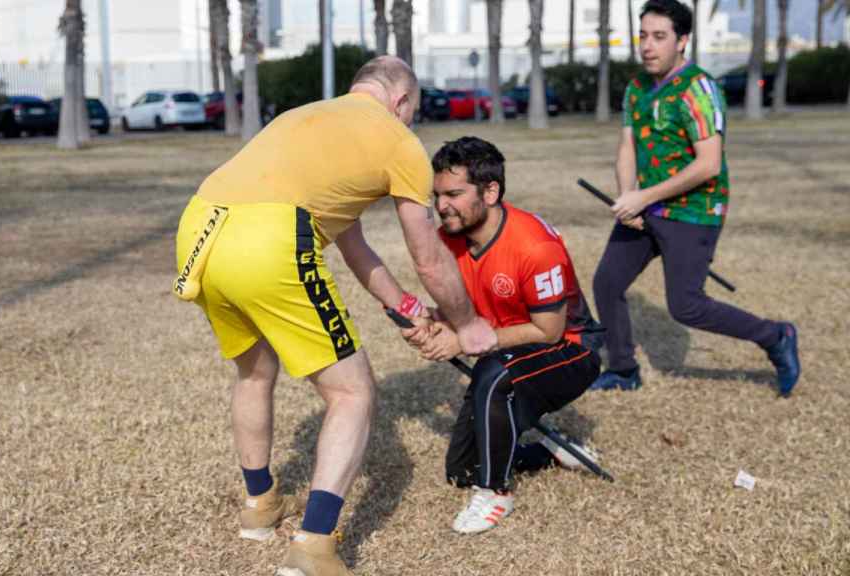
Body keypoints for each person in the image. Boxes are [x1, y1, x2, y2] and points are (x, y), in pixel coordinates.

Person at [173, 56, 497, 576]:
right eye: (410, 111)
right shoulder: (397, 139)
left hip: (201, 230)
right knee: (352, 392)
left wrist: (406, 308)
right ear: (402, 101)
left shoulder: (310, 118)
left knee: (254, 372)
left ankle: (260, 506)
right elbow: (429, 257)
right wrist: (467, 325)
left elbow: (354, 245)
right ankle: (313, 548)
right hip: (269, 237)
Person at [590, 0, 800, 395]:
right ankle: (622, 369)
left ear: (682, 40)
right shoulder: (637, 88)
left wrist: (644, 196)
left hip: (693, 209)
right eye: (643, 36)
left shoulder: (698, 89)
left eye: (659, 37)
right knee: (607, 281)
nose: (648, 46)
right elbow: (627, 147)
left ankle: (776, 336)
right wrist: (627, 198)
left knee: (686, 306)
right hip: (645, 206)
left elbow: (708, 165)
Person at [401, 137, 602, 534]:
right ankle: (551, 451)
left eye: (455, 194)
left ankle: (496, 494)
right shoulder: (448, 238)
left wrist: (462, 341)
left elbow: (549, 331)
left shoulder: (535, 246)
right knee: (462, 471)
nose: (442, 206)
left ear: (490, 191)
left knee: (494, 375)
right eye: (437, 195)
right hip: (508, 347)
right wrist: (432, 324)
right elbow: (464, 311)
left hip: (572, 349)